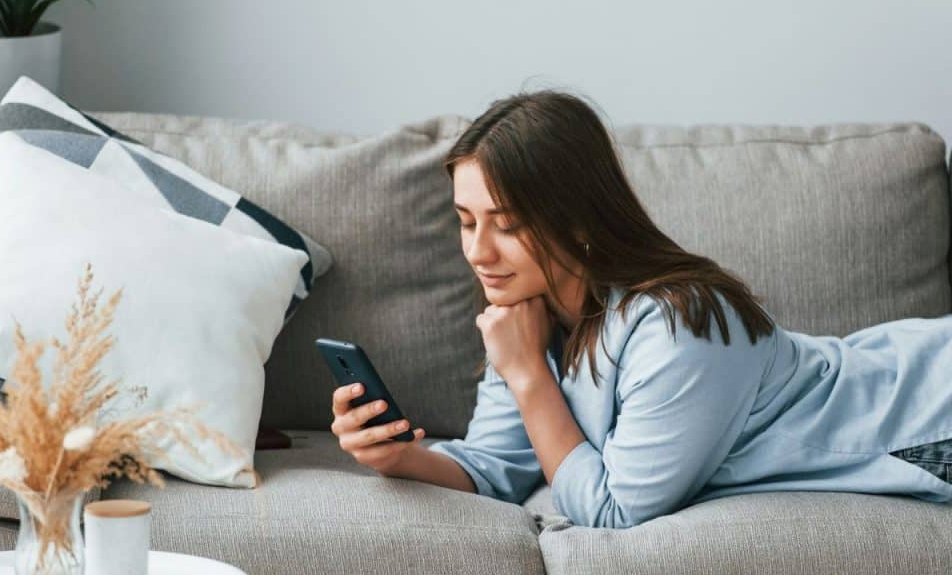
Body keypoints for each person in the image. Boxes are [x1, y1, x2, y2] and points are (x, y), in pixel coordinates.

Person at [329, 90, 952, 529]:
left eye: (508, 224)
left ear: (579, 220)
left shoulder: (680, 322)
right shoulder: (529, 312)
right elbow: (498, 467)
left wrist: (526, 376)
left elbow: (613, 511)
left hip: (927, 411)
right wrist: (397, 456)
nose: (478, 252)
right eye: (466, 222)